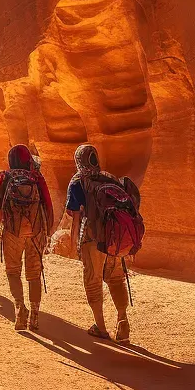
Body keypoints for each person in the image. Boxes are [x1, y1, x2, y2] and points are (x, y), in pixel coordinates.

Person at [65, 143, 143, 343]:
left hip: (92, 238)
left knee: (93, 281)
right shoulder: (110, 179)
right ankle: (122, 319)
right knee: (116, 279)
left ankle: (100, 327)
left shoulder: (78, 182)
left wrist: (73, 243)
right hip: (114, 238)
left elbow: (74, 216)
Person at [0, 144, 53, 331]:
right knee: (34, 273)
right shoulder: (37, 178)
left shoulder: (5, 177)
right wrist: (47, 230)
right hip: (35, 230)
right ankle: (34, 315)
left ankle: (20, 308)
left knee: (13, 271)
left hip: (13, 230)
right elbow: (48, 205)